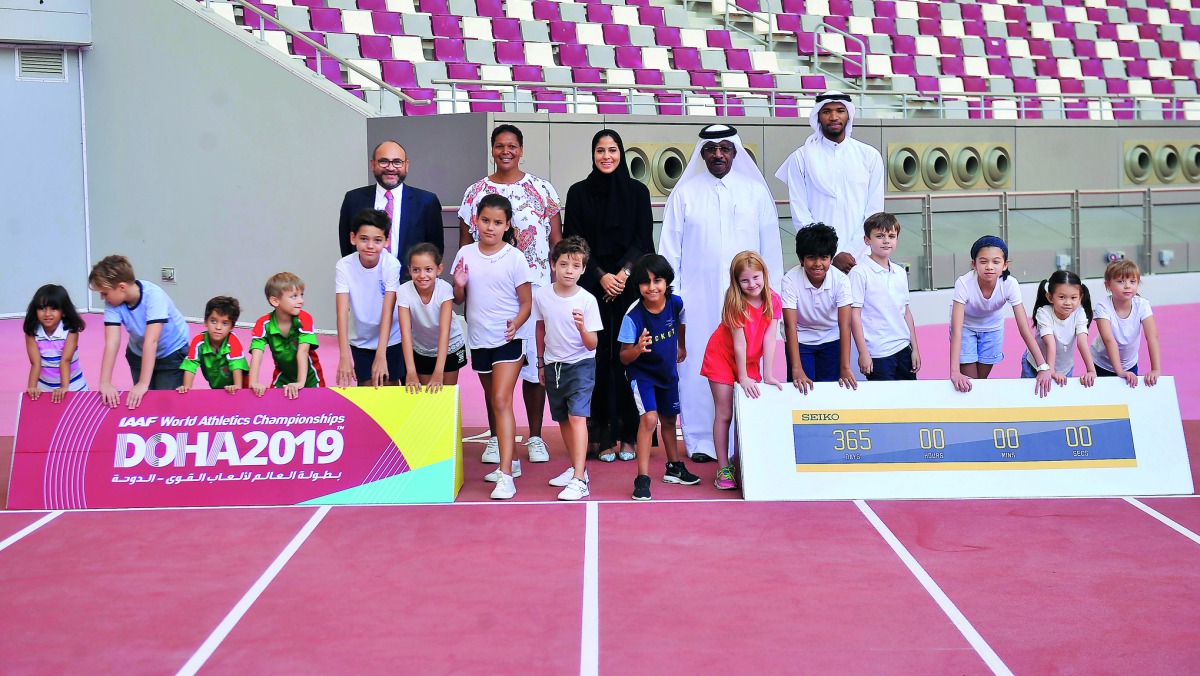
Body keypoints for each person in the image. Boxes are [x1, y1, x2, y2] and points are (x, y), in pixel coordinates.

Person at [659, 123, 783, 464]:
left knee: (750, 364)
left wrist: (773, 302)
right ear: (702, 153)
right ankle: (700, 440)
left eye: (725, 149)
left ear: (735, 152)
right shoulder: (684, 194)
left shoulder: (755, 192)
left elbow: (770, 250)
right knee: (699, 365)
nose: (717, 154)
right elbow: (670, 252)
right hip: (696, 303)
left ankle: (745, 442)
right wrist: (674, 302)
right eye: (711, 149)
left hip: (750, 301)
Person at [458, 124, 562, 464]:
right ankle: (495, 438)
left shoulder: (542, 190)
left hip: (537, 294)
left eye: (512, 146)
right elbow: (464, 249)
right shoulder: (475, 192)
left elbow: (556, 245)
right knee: (491, 374)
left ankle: (534, 436)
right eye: (500, 145)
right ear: (492, 149)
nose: (506, 151)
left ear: (521, 149)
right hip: (488, 301)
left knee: (536, 369)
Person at [562, 129, 654, 464]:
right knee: (597, 360)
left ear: (621, 154)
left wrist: (623, 274)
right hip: (591, 288)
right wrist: (601, 276)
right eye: (600, 150)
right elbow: (575, 242)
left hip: (629, 289)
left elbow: (643, 239)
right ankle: (601, 436)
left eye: (612, 150)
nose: (606, 157)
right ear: (593, 154)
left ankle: (629, 435)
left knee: (628, 358)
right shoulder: (579, 193)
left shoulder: (637, 192)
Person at [452, 194, 532, 500]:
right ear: (476, 221)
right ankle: (508, 458)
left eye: (498, 222)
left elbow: (526, 302)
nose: (490, 227)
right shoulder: (466, 254)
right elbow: (459, 300)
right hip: (479, 339)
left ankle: (506, 476)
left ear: (507, 225)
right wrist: (458, 284)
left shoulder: (514, 258)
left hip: (508, 340)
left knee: (501, 399)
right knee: (491, 399)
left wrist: (516, 323)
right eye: (485, 220)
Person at [774, 90, 885, 274]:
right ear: (817, 117)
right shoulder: (801, 158)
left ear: (848, 115)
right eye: (826, 112)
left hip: (862, 257)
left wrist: (851, 252)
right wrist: (832, 254)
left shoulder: (869, 156)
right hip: (818, 259)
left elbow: (874, 213)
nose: (834, 117)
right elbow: (801, 215)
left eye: (840, 110)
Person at [700, 251, 783, 491]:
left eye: (756, 278)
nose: (752, 285)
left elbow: (770, 338)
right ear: (736, 281)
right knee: (725, 412)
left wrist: (767, 373)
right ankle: (724, 467)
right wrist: (743, 377)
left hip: (748, 359)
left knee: (748, 410)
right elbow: (739, 342)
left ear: (764, 275)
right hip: (723, 356)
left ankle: (745, 461)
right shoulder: (735, 301)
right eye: (744, 280)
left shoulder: (773, 300)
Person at [619, 254, 699, 501]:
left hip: (667, 372)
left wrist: (681, 346)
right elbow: (623, 357)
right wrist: (637, 349)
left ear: (667, 282)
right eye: (645, 282)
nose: (652, 287)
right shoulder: (633, 316)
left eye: (657, 281)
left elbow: (681, 322)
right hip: (642, 374)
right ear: (638, 286)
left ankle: (673, 467)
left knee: (668, 419)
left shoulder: (676, 303)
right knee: (649, 419)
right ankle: (642, 477)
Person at [534, 237, 603, 501]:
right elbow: (540, 327)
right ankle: (578, 468)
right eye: (563, 264)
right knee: (562, 418)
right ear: (553, 265)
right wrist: (541, 362)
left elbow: (592, 344)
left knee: (577, 417)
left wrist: (582, 328)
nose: (569, 270)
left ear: (583, 269)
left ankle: (579, 480)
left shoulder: (587, 301)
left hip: (581, 365)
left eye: (575, 266)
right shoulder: (542, 294)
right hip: (553, 365)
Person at [949, 235, 1052, 396]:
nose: (989, 266)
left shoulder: (1010, 284)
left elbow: (1024, 327)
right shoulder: (963, 283)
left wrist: (1042, 366)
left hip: (992, 328)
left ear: (1004, 265)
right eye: (983, 261)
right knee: (969, 381)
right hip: (966, 327)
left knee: (979, 383)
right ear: (974, 264)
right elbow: (957, 328)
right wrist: (954, 371)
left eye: (995, 262)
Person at [89, 255, 190, 409]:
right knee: (144, 402)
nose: (103, 298)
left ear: (122, 287)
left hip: (172, 351)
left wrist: (143, 383)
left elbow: (152, 341)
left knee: (165, 404)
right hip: (139, 351)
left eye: (104, 293)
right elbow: (112, 342)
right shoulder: (113, 303)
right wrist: (105, 382)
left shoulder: (154, 296)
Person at [338, 140, 444, 278]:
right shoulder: (353, 199)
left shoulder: (426, 202)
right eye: (384, 161)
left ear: (406, 165)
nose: (391, 168)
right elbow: (347, 246)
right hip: (366, 282)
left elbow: (435, 250)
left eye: (397, 162)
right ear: (372, 164)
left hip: (410, 286)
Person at [781, 223, 856, 393]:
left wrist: (845, 367)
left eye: (824, 257)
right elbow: (790, 325)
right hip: (801, 340)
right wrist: (796, 368)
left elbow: (845, 325)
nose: (818, 264)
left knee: (828, 393)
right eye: (811, 257)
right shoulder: (790, 280)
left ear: (831, 258)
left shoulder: (841, 281)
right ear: (801, 259)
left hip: (831, 339)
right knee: (801, 392)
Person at [334, 209, 403, 388]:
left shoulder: (392, 265)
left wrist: (381, 355)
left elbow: (388, 311)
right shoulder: (344, 266)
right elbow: (342, 312)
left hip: (391, 339)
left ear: (386, 241)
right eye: (364, 239)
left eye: (377, 240)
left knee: (389, 385)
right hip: (361, 339)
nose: (370, 245)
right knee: (367, 388)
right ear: (352, 238)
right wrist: (344, 356)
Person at [849, 213, 921, 381]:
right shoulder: (859, 273)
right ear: (867, 240)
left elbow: (906, 313)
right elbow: (854, 316)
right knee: (884, 405)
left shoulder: (900, 272)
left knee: (908, 403)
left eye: (891, 236)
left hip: (904, 349)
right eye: (879, 236)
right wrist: (863, 353)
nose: (886, 241)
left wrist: (915, 349)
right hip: (878, 353)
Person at [397, 242, 467, 393]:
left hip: (450, 347)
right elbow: (405, 332)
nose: (422, 275)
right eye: (416, 270)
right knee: (426, 396)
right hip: (422, 347)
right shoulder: (403, 291)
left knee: (446, 395)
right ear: (409, 270)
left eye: (428, 269)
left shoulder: (445, 290)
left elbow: (444, 331)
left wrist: (438, 371)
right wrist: (411, 371)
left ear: (439, 269)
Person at [248, 272, 325, 398]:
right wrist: (253, 383)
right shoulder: (263, 323)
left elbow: (303, 352)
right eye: (294, 297)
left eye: (301, 295)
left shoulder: (304, 318)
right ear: (275, 301)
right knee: (270, 404)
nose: (301, 301)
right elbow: (257, 355)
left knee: (315, 410)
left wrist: (300, 383)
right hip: (283, 376)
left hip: (310, 376)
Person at [1091, 259, 1161, 387]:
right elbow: (1109, 340)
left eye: (1132, 281)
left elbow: (1152, 337)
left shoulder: (1142, 305)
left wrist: (1155, 369)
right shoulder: (1103, 307)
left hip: (1130, 363)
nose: (1127, 286)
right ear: (1108, 285)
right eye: (1121, 281)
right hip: (1101, 363)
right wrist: (1120, 372)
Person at [1024, 270, 1096, 387]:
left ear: (1080, 298)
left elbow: (1082, 342)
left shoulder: (1079, 313)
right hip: (1036, 365)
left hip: (1065, 368)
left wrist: (1091, 371)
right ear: (1050, 297)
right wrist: (1051, 371)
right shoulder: (1044, 313)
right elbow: (1050, 344)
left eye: (1073, 298)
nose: (1068, 302)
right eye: (1062, 297)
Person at [23, 284, 87, 402]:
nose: (47, 314)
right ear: (35, 310)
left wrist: (64, 388)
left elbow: (65, 360)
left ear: (63, 311)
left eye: (54, 308)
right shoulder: (32, 333)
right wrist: (32, 387)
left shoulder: (70, 331)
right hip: (45, 387)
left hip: (73, 385)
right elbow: (35, 363)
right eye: (42, 308)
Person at [177, 296, 248, 394]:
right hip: (217, 390)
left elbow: (236, 368)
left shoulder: (232, 341)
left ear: (232, 327)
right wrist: (186, 389)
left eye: (225, 323)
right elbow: (190, 366)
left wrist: (237, 388)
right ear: (206, 322)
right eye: (213, 321)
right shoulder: (198, 342)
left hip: (243, 388)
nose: (218, 327)